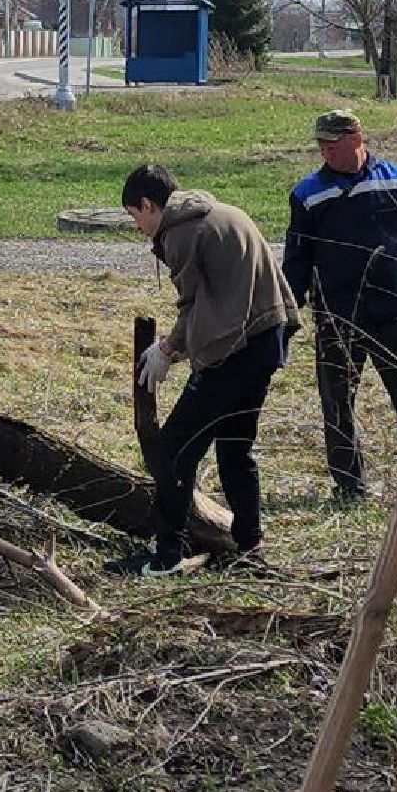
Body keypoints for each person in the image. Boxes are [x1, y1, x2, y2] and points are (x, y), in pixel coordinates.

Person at [115, 164, 301, 576]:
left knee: (175, 448)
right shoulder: (218, 212)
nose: (137, 225)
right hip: (268, 339)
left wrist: (166, 349)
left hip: (235, 350)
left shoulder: (181, 233)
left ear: (149, 204)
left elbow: (194, 307)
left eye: (134, 215)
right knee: (236, 448)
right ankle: (250, 548)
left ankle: (167, 555)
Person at [282, 109, 397, 502]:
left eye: (332, 145)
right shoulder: (308, 194)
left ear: (357, 139)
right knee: (337, 402)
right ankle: (350, 485)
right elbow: (296, 261)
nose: (324, 153)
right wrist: (289, 315)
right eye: (320, 146)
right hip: (337, 318)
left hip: (392, 310)